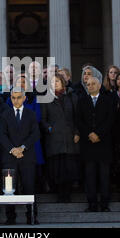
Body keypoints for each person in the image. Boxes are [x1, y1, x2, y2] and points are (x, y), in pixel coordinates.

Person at [0, 87, 41, 225]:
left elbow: (35, 134)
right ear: (10, 98)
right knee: (10, 189)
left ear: (24, 98)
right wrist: (12, 149)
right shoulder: (5, 114)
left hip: (27, 156)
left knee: (29, 188)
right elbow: (1, 135)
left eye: (18, 97)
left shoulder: (31, 114)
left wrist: (22, 148)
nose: (16, 100)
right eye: (13, 97)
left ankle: (32, 217)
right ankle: (10, 218)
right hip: (9, 157)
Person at [75, 77, 114, 212]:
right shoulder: (81, 101)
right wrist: (89, 134)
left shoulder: (108, 100)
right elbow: (79, 120)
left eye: (93, 84)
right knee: (89, 176)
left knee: (104, 176)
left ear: (99, 85)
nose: (90, 86)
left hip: (104, 144)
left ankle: (104, 204)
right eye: (88, 84)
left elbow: (110, 120)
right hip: (88, 144)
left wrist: (98, 134)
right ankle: (91, 204)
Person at [40, 73, 80, 203]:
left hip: (69, 138)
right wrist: (49, 129)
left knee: (69, 168)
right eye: (52, 82)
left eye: (57, 81)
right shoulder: (45, 98)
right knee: (57, 168)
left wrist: (77, 132)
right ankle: (59, 194)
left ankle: (67, 193)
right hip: (54, 139)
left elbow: (76, 117)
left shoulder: (71, 97)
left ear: (63, 82)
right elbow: (42, 120)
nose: (55, 83)